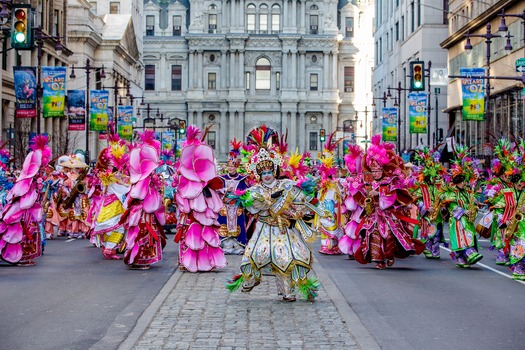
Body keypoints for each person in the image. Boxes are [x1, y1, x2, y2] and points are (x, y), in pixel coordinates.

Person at [226, 145, 320, 302]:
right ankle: (251, 279)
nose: (267, 176)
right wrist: (267, 202)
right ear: (259, 175)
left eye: (269, 172)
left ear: (274, 171)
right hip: (263, 229)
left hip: (282, 230)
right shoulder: (255, 190)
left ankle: (288, 291)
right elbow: (253, 206)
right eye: (263, 173)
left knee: (287, 257)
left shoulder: (286, 185)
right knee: (255, 255)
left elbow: (301, 198)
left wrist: (297, 208)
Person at [354, 135, 424, 269]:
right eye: (373, 171)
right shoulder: (371, 182)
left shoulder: (390, 181)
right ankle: (378, 259)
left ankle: (389, 255)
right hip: (374, 215)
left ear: (383, 170)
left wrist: (379, 192)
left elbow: (395, 193)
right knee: (373, 234)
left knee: (389, 235)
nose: (375, 174)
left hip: (388, 215)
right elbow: (362, 196)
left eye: (377, 171)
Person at [175, 125, 227, 272]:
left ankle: (206, 262)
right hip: (191, 214)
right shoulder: (185, 180)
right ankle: (188, 262)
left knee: (204, 235)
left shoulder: (207, 185)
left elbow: (215, 199)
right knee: (190, 235)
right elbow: (182, 200)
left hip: (202, 211)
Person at [0, 135, 52, 266]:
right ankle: (20, 257)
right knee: (21, 232)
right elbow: (21, 195)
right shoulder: (26, 180)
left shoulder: (33, 180)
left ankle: (25, 256)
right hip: (21, 212)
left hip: (27, 212)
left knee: (30, 230)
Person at [123, 130, 167, 269]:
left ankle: (139, 259)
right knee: (141, 234)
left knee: (143, 234)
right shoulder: (141, 180)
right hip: (141, 213)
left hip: (143, 212)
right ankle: (139, 259)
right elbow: (137, 195)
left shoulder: (146, 180)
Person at [438, 145, 483, 268]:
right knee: (462, 235)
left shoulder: (466, 192)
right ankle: (467, 253)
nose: (464, 183)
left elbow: (470, 202)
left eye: (464, 181)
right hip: (457, 220)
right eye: (462, 181)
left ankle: (463, 257)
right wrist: (463, 211)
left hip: (467, 219)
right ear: (457, 181)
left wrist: (475, 205)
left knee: (469, 233)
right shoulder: (452, 192)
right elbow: (452, 206)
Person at [412, 147, 447, 259]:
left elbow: (444, 197)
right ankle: (427, 248)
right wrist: (426, 207)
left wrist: (443, 206)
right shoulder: (422, 187)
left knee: (437, 233)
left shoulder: (439, 186)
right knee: (428, 233)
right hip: (427, 215)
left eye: (435, 175)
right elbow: (417, 199)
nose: (434, 177)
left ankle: (435, 250)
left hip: (437, 214)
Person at [218, 139, 249, 254]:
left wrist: (238, 195)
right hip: (225, 206)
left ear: (236, 167)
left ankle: (238, 246)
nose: (231, 168)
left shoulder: (242, 178)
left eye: (233, 166)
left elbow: (245, 192)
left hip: (236, 207)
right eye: (229, 166)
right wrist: (225, 191)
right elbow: (218, 192)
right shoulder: (222, 178)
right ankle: (224, 245)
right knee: (224, 224)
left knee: (237, 225)